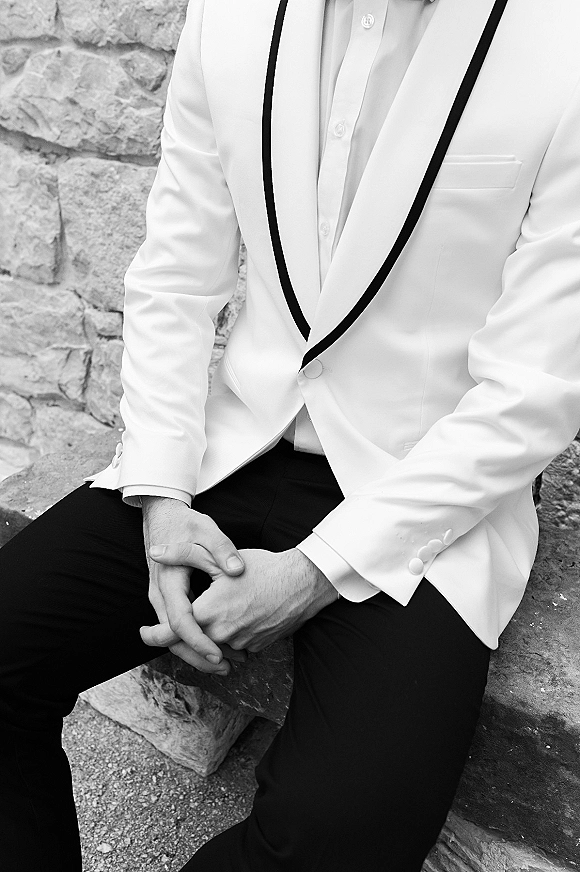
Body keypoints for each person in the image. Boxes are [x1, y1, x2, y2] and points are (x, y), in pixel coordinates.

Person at [2, 0, 580, 869]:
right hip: (234, 443)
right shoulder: (228, 16)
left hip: (423, 478)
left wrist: (315, 573)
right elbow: (174, 272)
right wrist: (160, 492)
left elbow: (540, 387)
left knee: (345, 830)